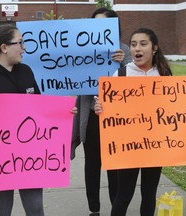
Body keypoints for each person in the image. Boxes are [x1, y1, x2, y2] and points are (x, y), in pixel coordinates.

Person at [94, 27, 186, 216]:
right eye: (133, 44)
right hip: (128, 146)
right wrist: (100, 108)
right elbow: (107, 108)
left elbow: (178, 108)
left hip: (155, 145)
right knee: (124, 194)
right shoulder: (121, 74)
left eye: (143, 44)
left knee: (149, 193)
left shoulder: (164, 74)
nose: (136, 49)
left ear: (154, 48)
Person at [0, 24, 76, 216]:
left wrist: (62, 113)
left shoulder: (26, 71)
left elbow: (39, 107)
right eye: (20, 43)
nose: (24, 48)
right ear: (4, 48)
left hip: (29, 156)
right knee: (1, 210)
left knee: (35, 208)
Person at [71, 7, 132, 216]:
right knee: (92, 164)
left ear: (113, 27)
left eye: (103, 24)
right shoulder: (84, 48)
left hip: (117, 119)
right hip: (92, 115)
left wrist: (124, 60)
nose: (99, 28)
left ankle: (117, 209)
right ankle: (94, 210)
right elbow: (70, 74)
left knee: (115, 166)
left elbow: (138, 82)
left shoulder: (125, 50)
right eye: (95, 23)